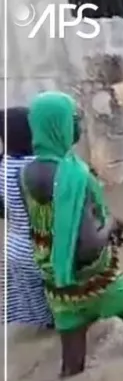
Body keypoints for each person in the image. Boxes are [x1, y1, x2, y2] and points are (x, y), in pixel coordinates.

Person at [20, 91, 123, 377]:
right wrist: (112, 226)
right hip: (94, 279)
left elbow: (44, 225)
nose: (78, 126)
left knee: (72, 364)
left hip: (57, 281)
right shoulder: (76, 178)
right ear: (59, 125)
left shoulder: (26, 174)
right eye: (74, 119)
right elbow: (88, 247)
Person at [1, 107, 54, 329]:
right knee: (68, 311)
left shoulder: (3, 165)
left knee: (40, 315)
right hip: (45, 249)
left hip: (15, 248)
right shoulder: (40, 167)